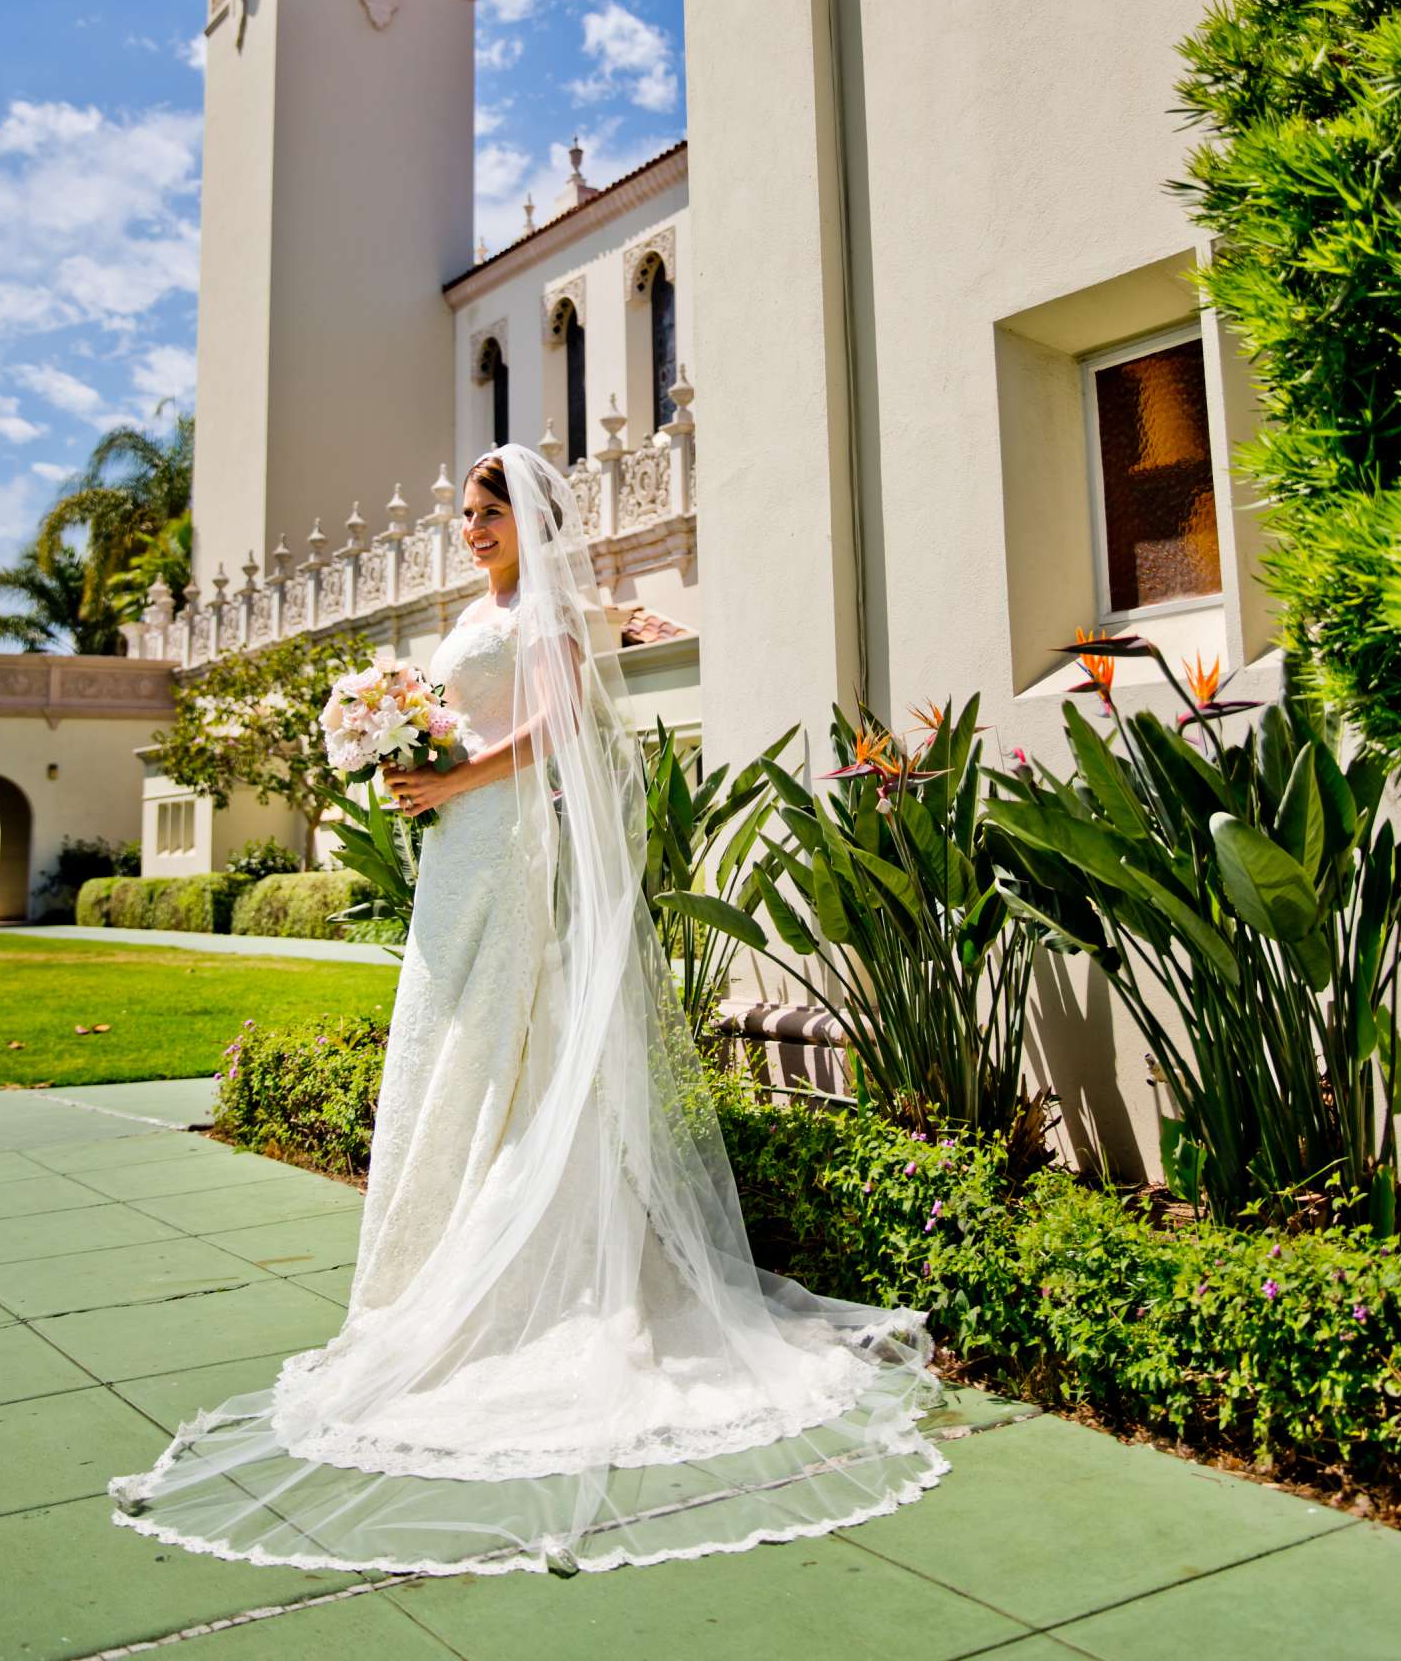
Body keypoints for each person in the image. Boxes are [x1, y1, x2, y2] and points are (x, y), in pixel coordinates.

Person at [110, 442, 945, 1577]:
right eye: (460, 513)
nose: (468, 528)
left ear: (529, 519)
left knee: (510, 1042)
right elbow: (479, 696)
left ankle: (515, 1290)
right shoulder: (481, 606)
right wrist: (397, 744)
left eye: (483, 512)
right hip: (454, 852)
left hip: (504, 843)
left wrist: (452, 775)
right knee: (448, 1041)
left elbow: (556, 726)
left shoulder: (542, 612)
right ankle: (423, 1278)